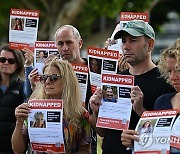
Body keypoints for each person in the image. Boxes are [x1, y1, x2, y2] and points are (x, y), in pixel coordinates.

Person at [90, 20, 175, 154]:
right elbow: (103, 133)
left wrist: (141, 110)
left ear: (150, 44)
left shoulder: (165, 82)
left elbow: (167, 136)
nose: (126, 46)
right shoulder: (115, 79)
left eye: (133, 40)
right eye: (124, 41)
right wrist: (96, 111)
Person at [12, 59, 91, 154]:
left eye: (54, 77)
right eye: (44, 77)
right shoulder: (33, 109)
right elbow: (17, 150)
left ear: (67, 81)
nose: (48, 82)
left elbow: (86, 150)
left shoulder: (80, 113)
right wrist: (19, 122)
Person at [121, 39, 180, 153]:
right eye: (169, 71)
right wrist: (133, 141)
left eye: (178, 70)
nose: (173, 77)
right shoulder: (162, 102)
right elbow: (153, 142)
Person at [0, 44, 26, 153]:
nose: (6, 63)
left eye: (11, 61)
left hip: (12, 148)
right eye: (2, 60)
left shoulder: (23, 87)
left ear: (17, 64)